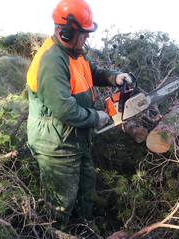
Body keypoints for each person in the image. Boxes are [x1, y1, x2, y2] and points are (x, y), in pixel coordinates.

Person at [26, 0, 132, 226]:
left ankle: (84, 232)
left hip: (74, 138)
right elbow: (64, 109)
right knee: (61, 202)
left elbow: (91, 72)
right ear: (66, 32)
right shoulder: (52, 61)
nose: (86, 38)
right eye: (83, 34)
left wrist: (114, 77)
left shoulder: (75, 53)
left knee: (86, 188)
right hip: (55, 144)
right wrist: (97, 117)